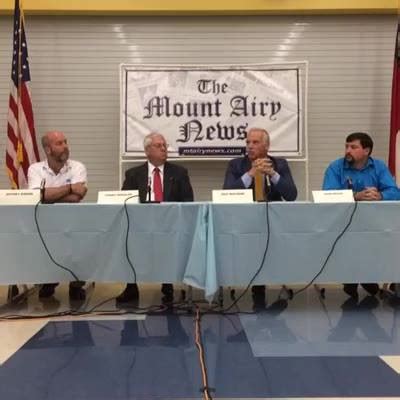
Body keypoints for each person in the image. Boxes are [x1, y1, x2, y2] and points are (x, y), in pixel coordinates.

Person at [116, 132, 194, 304]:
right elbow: (124, 201)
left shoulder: (179, 173)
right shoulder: (133, 174)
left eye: (165, 145)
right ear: (147, 150)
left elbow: (188, 201)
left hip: (171, 224)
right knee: (125, 238)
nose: (164, 149)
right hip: (140, 225)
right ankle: (131, 286)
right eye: (159, 146)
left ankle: (168, 283)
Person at [223, 127, 297, 306]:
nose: (250, 146)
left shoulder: (280, 164)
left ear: (266, 146)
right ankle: (256, 286)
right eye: (248, 142)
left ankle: (268, 283)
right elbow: (226, 193)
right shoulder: (236, 165)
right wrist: (250, 174)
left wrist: (273, 174)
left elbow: (291, 195)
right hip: (244, 221)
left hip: (273, 221)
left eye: (255, 142)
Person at [322, 132, 400, 298]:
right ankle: (355, 278)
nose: (347, 150)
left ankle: (365, 277)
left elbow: (395, 192)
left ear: (366, 151)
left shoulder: (379, 167)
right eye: (346, 146)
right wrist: (355, 196)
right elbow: (327, 194)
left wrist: (380, 195)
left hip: (374, 224)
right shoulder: (335, 167)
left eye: (353, 147)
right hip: (342, 224)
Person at [28, 131, 88, 300]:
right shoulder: (35, 169)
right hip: (44, 222)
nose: (65, 146)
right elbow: (36, 196)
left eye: (65, 142)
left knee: (80, 242)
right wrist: (69, 188)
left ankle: (76, 284)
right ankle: (49, 280)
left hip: (72, 221)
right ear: (48, 149)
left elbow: (77, 197)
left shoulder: (77, 167)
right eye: (59, 143)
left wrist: (47, 195)